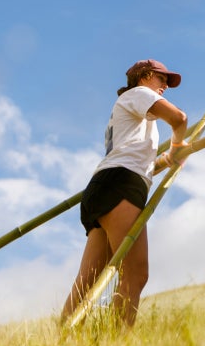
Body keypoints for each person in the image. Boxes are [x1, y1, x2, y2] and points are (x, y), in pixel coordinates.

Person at [61, 59, 189, 327]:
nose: (165, 86)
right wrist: (177, 144)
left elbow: (136, 160)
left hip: (104, 185)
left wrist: (167, 160)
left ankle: (64, 340)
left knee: (89, 278)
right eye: (160, 79)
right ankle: (116, 345)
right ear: (144, 76)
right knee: (135, 274)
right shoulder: (138, 94)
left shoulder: (131, 112)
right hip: (121, 184)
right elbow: (179, 118)